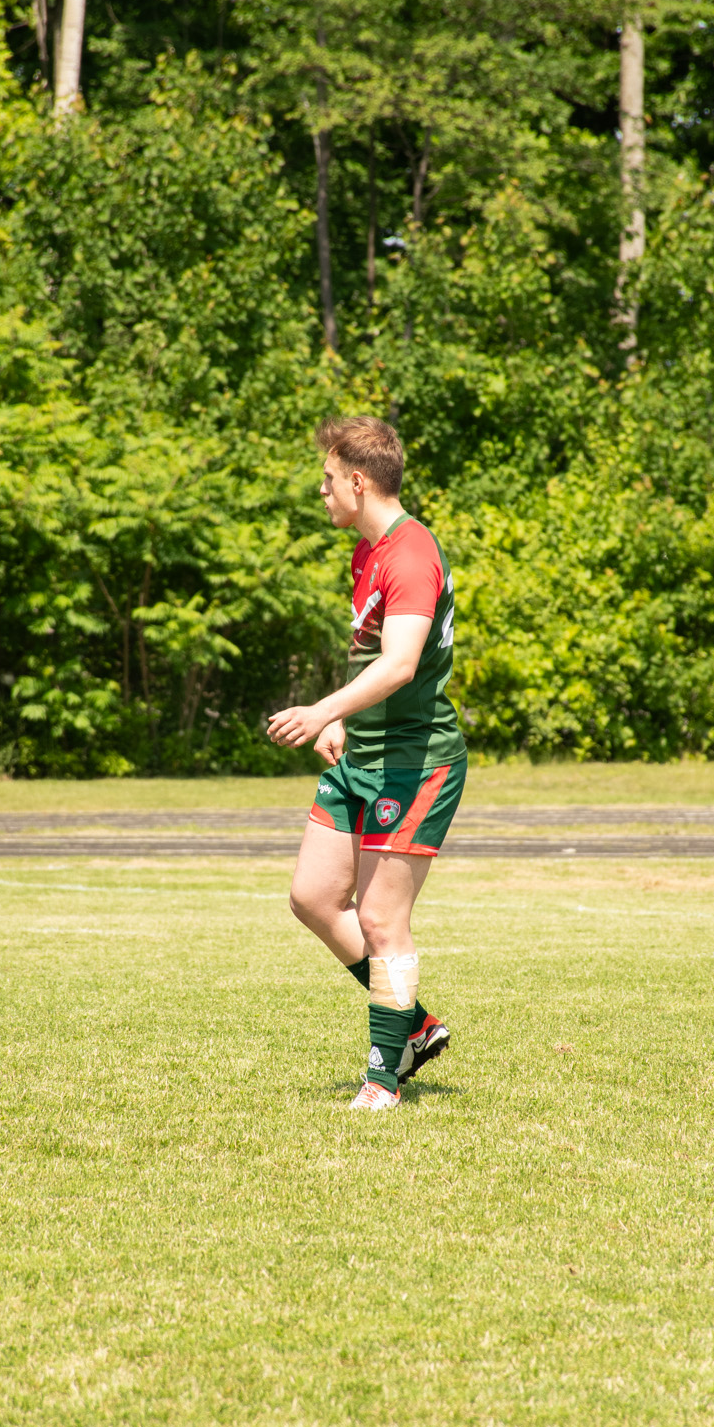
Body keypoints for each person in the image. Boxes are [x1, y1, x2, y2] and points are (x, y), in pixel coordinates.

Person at [267, 415, 467, 1110]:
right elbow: (371, 663)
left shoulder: (410, 554)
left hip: (414, 763)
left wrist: (322, 710)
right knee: (313, 898)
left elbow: (402, 664)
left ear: (357, 482)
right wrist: (344, 720)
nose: (320, 494)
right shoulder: (366, 552)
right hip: (365, 756)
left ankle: (383, 1078)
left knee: (382, 920)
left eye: (326, 482)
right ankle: (413, 1024)